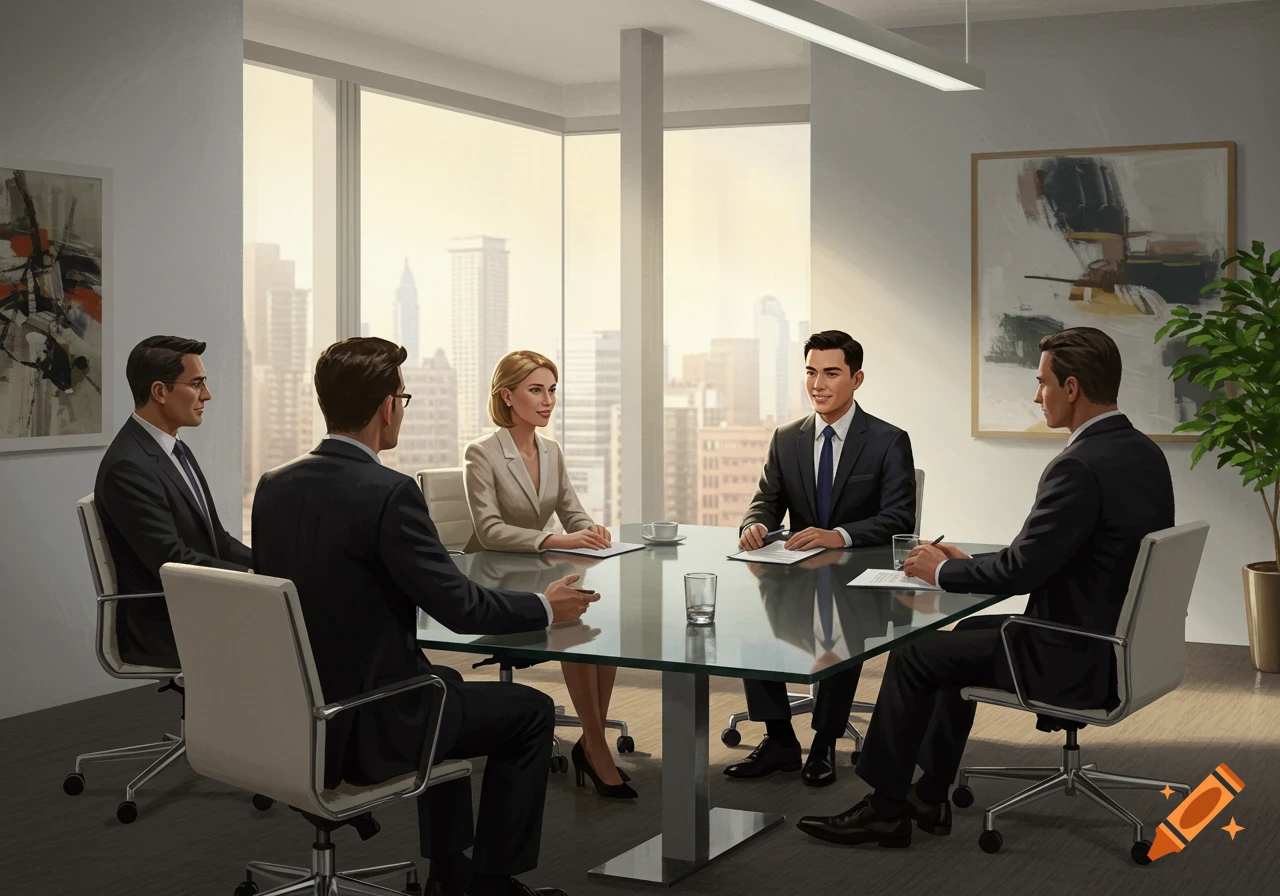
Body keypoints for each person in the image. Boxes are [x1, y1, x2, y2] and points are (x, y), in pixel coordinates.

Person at [796, 327, 1175, 848]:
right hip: (1113, 640)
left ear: (1071, 387)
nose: (1035, 395)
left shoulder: (1078, 465)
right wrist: (967, 561)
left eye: (1041, 383)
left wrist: (940, 572)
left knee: (916, 652)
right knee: (961, 639)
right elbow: (1048, 553)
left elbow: (1023, 570)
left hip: (1074, 653)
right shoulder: (1141, 453)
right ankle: (928, 795)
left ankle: (885, 808)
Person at [253, 337, 595, 896]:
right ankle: (491, 882)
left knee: (445, 681)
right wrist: (543, 606)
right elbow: (460, 607)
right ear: (388, 406)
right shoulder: (388, 493)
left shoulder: (274, 486)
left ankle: (449, 869)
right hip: (372, 718)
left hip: (296, 711)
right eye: (403, 399)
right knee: (531, 711)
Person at [728, 330, 916, 787]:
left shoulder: (888, 440)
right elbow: (765, 501)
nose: (818, 383)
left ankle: (825, 742)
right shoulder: (787, 437)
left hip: (861, 577)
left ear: (857, 379)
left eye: (831, 373)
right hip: (797, 574)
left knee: (841, 630)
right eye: (811, 372)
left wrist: (840, 535)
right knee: (751, 627)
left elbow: (899, 517)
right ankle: (779, 739)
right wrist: (754, 524)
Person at [462, 350, 635, 800]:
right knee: (574, 626)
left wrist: (589, 530)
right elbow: (490, 529)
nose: (547, 400)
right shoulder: (482, 452)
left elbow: (571, 510)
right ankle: (596, 745)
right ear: (508, 395)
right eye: (536, 390)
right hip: (495, 578)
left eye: (552, 390)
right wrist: (559, 541)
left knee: (600, 622)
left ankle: (592, 739)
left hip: (537, 571)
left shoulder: (550, 450)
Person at [95, 335, 250, 667]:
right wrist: (253, 577)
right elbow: (171, 560)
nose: (207, 395)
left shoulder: (173, 448)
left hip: (196, 604)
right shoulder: (129, 466)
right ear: (160, 392)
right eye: (196, 384)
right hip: (163, 624)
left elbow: (215, 538)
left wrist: (271, 564)